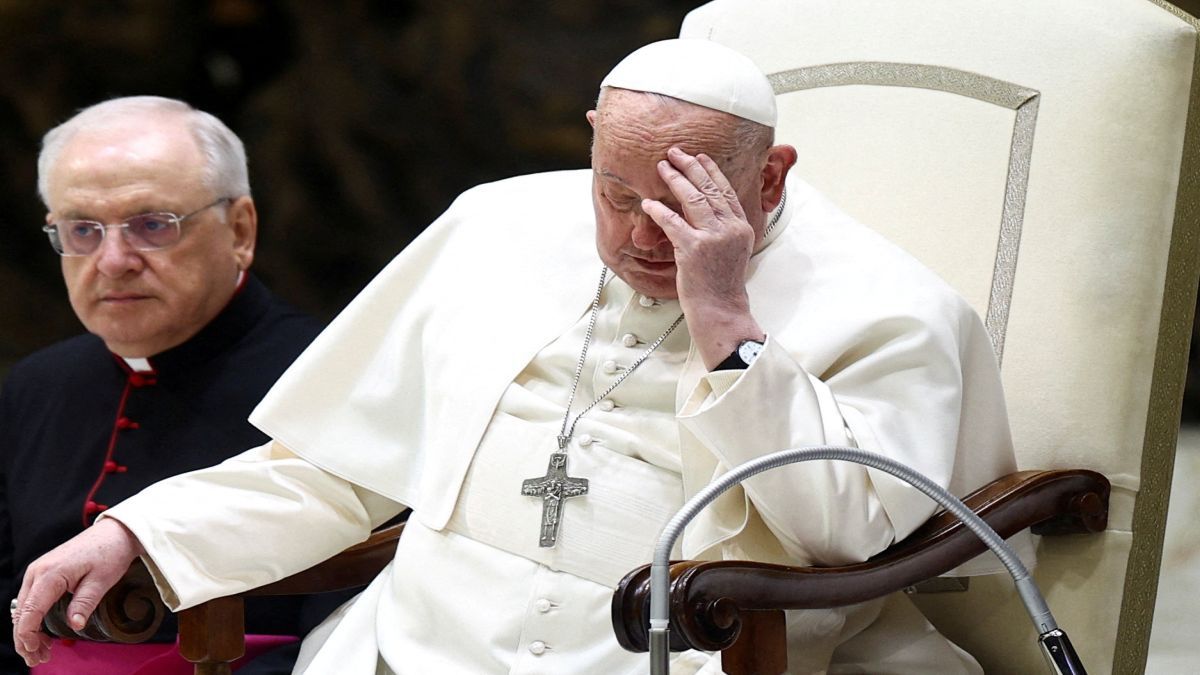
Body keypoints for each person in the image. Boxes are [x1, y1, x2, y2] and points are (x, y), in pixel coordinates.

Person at [13, 41, 1026, 674]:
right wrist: (144, 529)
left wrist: (725, 319)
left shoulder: (891, 306)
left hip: (691, 654)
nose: (642, 236)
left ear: (771, 179)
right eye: (617, 197)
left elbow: (844, 535)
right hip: (416, 647)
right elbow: (341, 470)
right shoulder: (493, 227)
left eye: (684, 203)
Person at [0, 96, 353, 674]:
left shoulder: (331, 379)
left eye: (152, 225)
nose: (113, 261)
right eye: (82, 230)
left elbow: (349, 627)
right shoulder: (36, 386)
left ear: (239, 229)